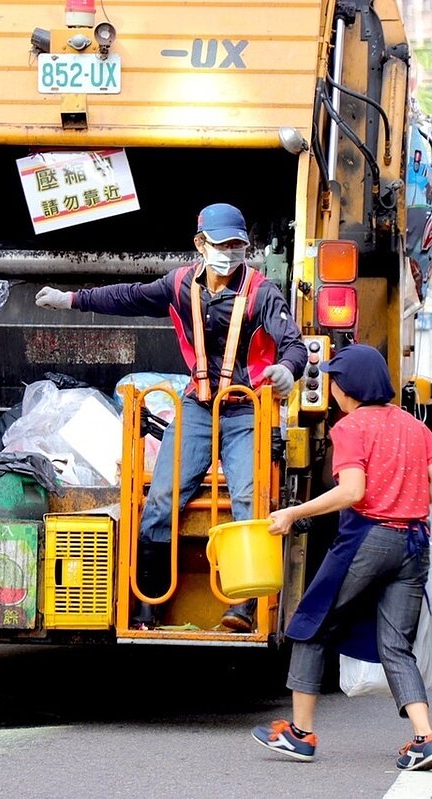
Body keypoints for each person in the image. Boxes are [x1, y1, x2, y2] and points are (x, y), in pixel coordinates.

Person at [35, 203, 307, 631]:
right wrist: (71, 300)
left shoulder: (261, 292)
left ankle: (244, 606)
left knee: (248, 504)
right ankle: (148, 605)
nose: (230, 252)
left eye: (238, 245)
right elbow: (128, 297)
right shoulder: (180, 284)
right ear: (201, 245)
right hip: (198, 406)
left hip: (245, 411)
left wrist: (288, 370)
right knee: (160, 501)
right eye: (222, 244)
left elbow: (293, 342)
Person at [250, 344, 432, 772]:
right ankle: (426, 737)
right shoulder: (413, 426)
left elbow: (352, 492)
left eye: (334, 380)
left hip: (368, 537)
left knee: (310, 624)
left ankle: (300, 735)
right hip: (415, 540)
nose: (331, 387)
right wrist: (407, 501)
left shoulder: (350, 427)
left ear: (346, 387)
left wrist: (292, 512)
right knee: (397, 644)